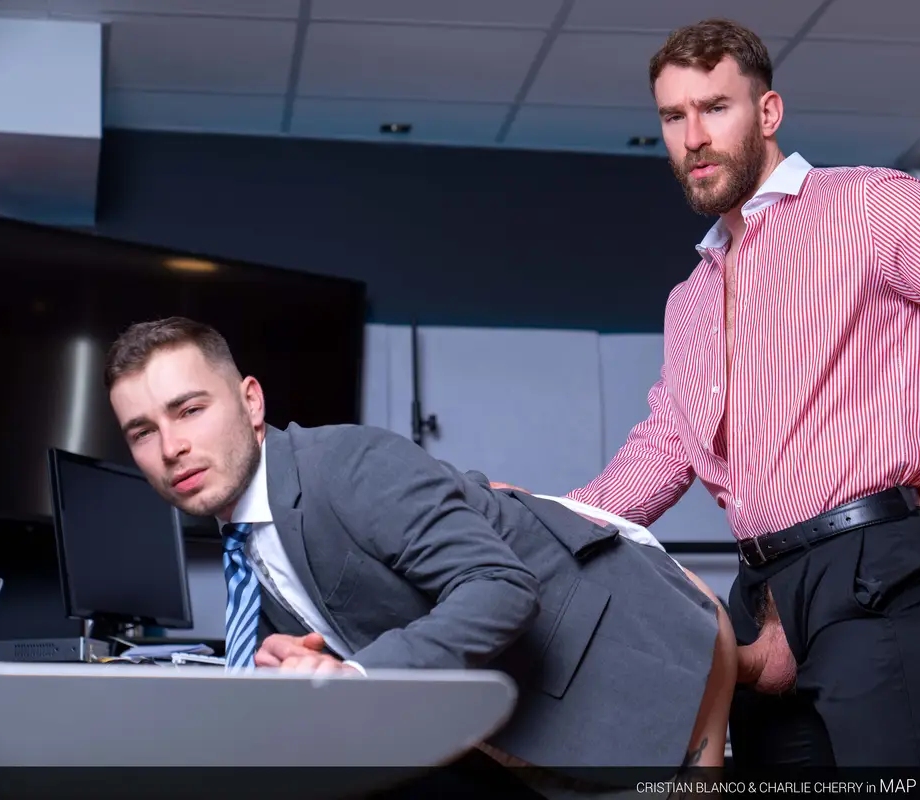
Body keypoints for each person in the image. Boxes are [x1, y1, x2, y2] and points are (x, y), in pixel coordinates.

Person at [559, 18, 920, 768]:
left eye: (715, 107)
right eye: (673, 116)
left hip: (870, 565)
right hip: (761, 588)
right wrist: (549, 524)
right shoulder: (692, 299)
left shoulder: (867, 205)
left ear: (767, 112)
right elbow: (666, 447)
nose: (693, 137)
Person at [102, 315, 739, 791]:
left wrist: (355, 678)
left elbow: (499, 586)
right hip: (510, 728)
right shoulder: (246, 545)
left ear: (251, 401)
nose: (171, 447)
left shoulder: (345, 464)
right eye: (143, 432)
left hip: (636, 672)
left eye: (189, 410)